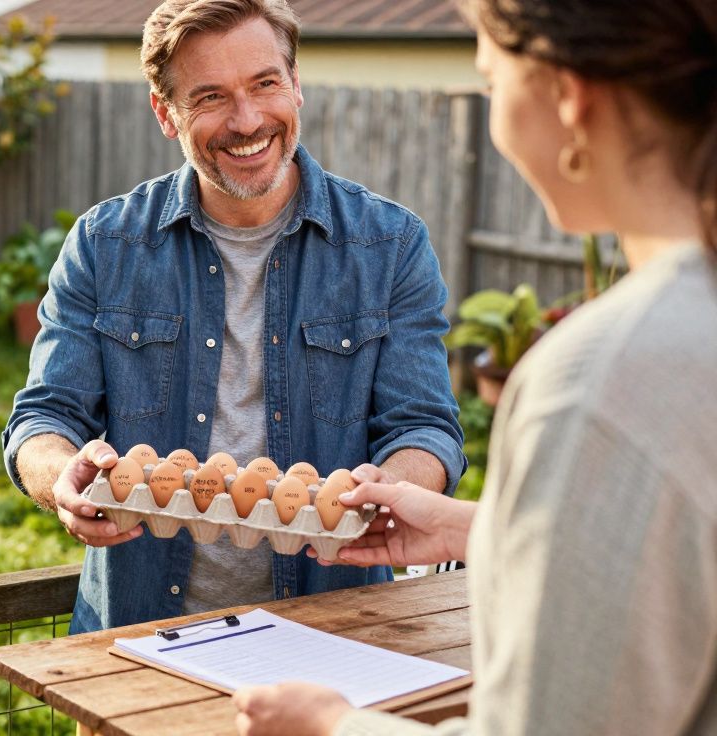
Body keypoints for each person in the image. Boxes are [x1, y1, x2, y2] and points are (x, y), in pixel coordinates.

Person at [232, 0, 717, 733]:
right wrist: (478, 530)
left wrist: (334, 726)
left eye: (492, 82)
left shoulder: (602, 382)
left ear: (569, 95)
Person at [2, 0, 466, 635]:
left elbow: (424, 427)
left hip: (335, 631)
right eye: (211, 97)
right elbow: (44, 416)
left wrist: (381, 491)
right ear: (165, 112)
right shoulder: (105, 244)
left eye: (265, 83)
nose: (247, 121)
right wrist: (63, 478)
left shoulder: (389, 246)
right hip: (140, 631)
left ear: (296, 84)